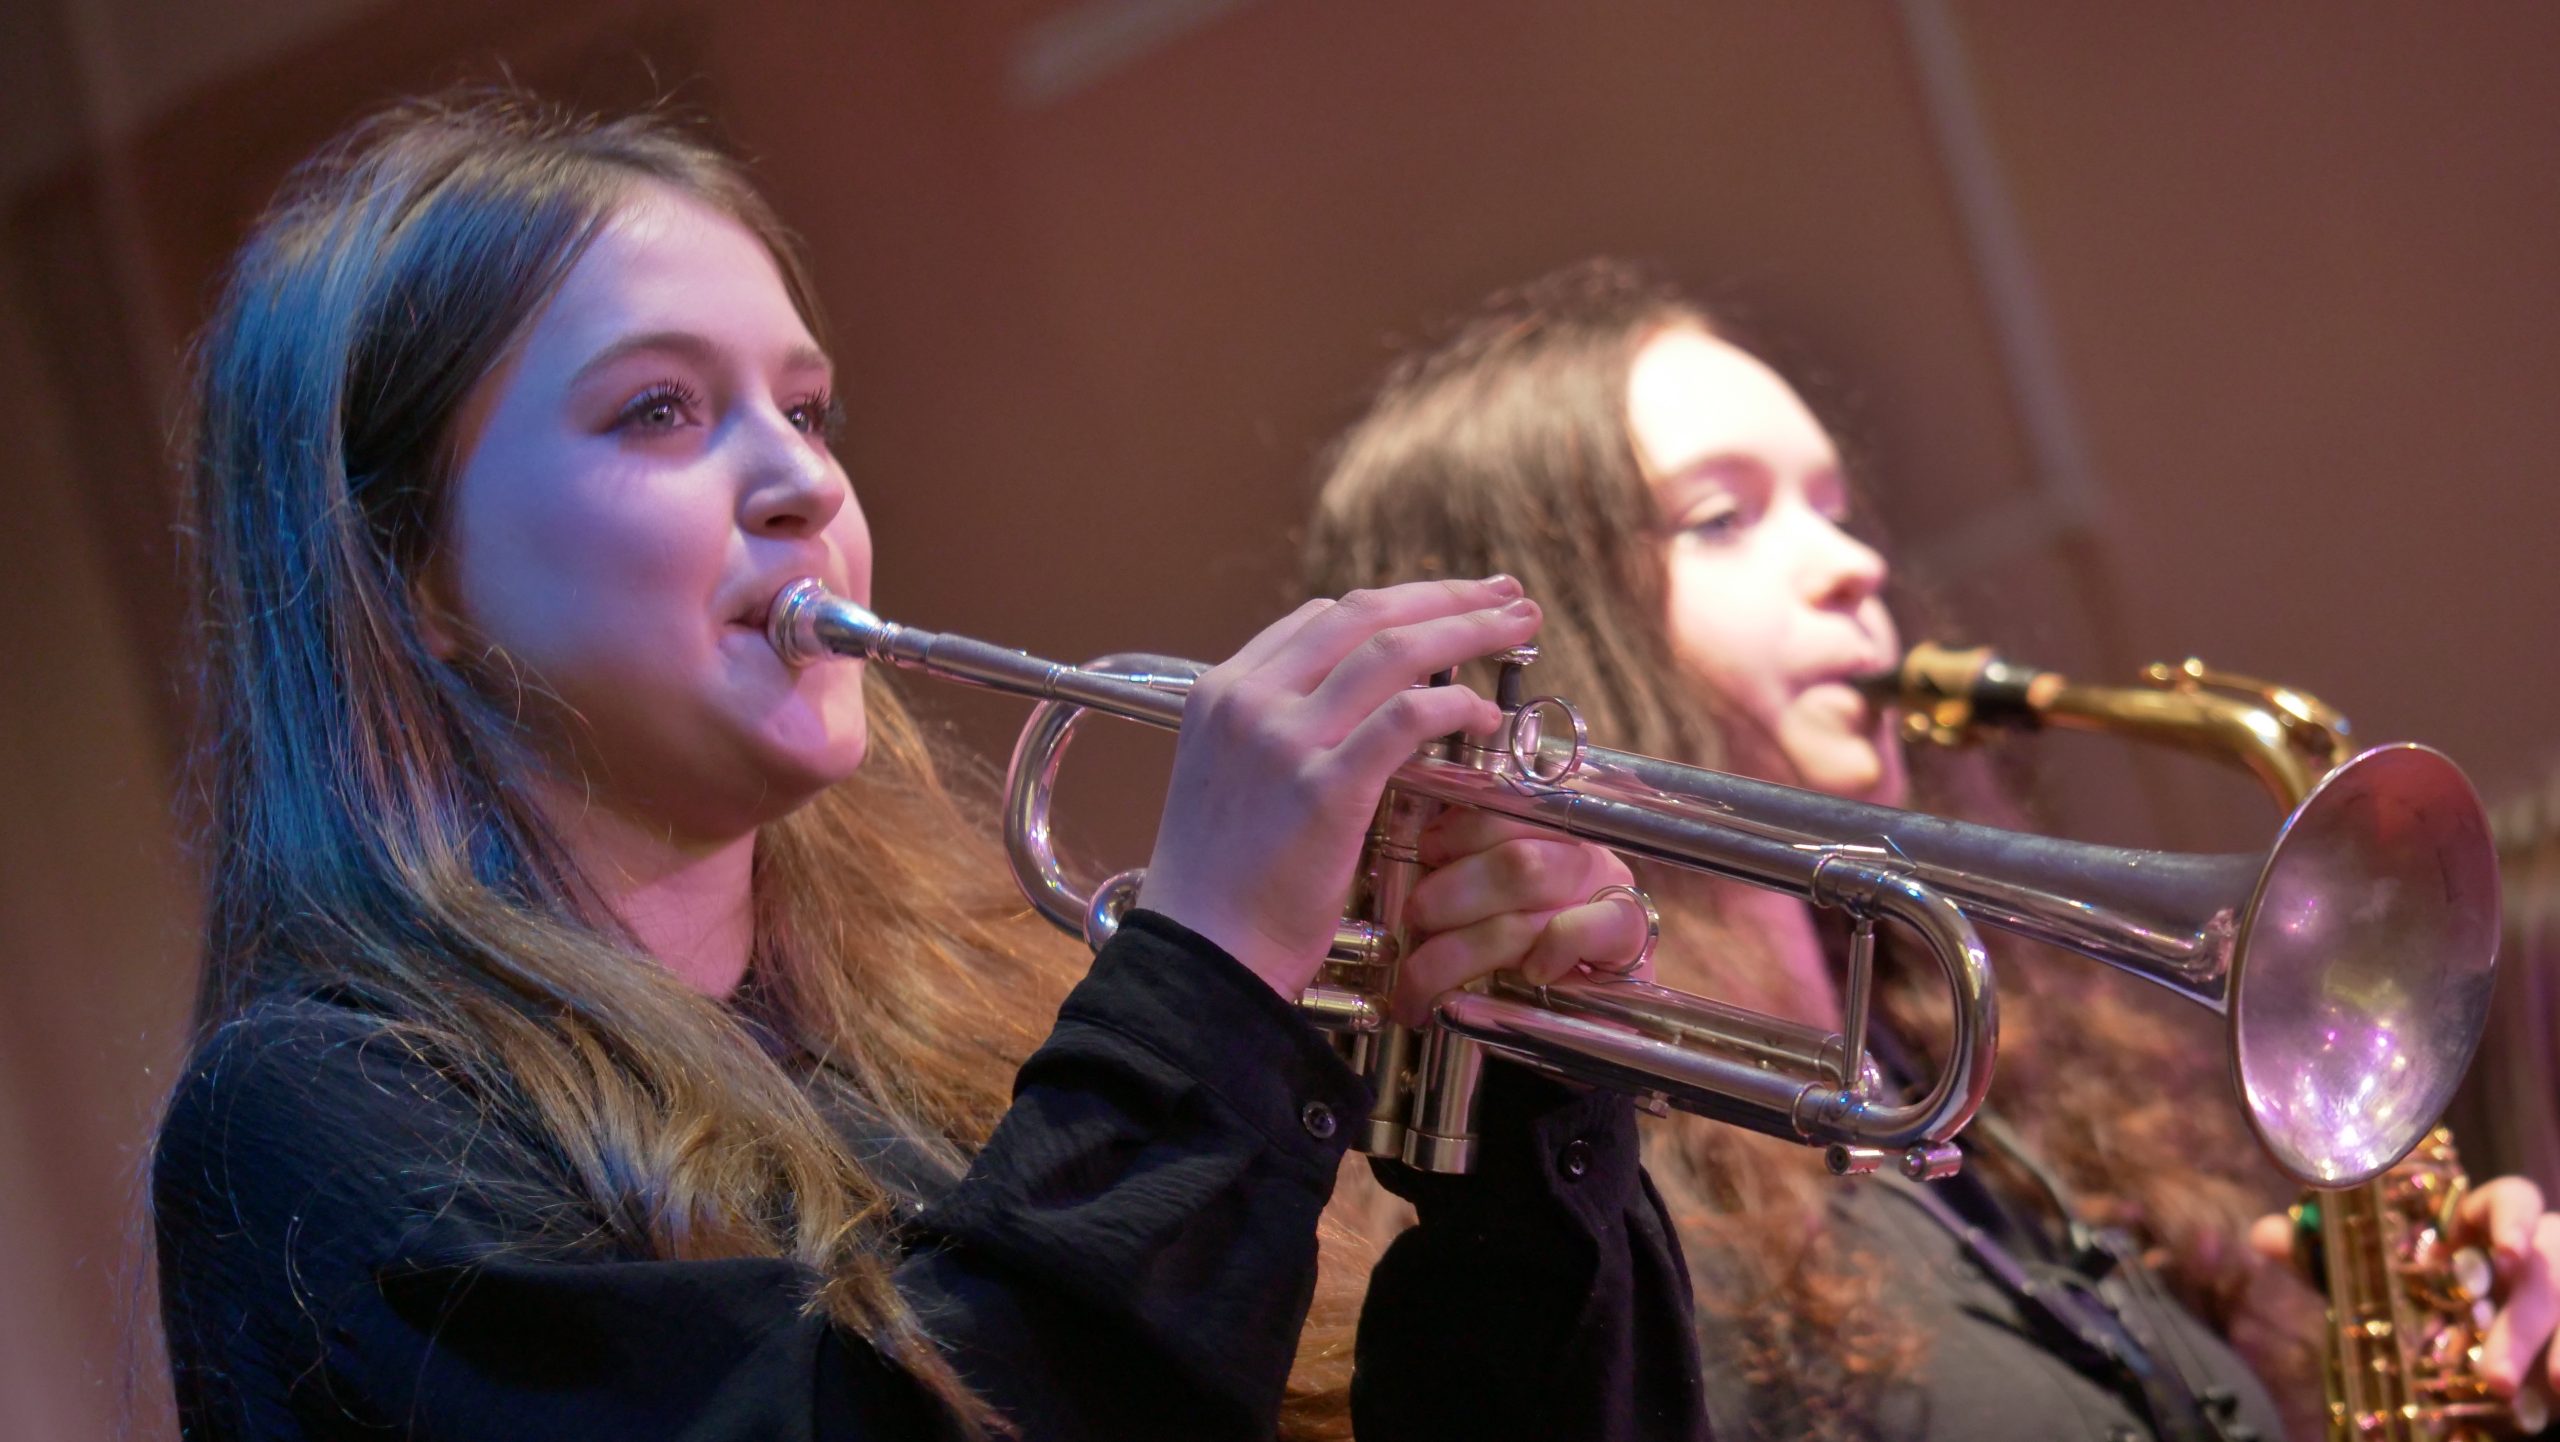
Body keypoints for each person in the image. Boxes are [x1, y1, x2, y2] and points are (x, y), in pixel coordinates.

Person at [150, 98, 1711, 1441]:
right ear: (409, 570)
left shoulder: (984, 1008)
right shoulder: (319, 1110)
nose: (801, 479)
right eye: (659, 408)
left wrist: (1517, 1137)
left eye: (807, 409)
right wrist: (1211, 974)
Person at [1302, 260, 2560, 1441]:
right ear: (1540, 621)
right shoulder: (1574, 1218)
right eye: (1722, 517)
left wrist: (2301, 1348)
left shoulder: (1971, 1084)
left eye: (1837, 510)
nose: (1855, 565)